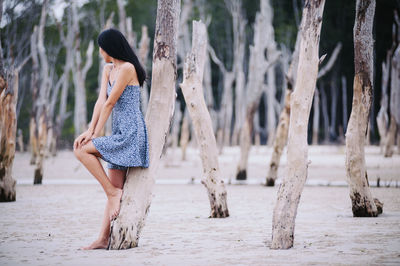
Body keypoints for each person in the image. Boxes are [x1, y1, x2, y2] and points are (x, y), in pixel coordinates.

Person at [73, 28, 150, 250]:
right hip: (118, 132)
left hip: (131, 132)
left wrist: (94, 135)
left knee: (82, 150)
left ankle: (112, 193)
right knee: (113, 184)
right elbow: (100, 101)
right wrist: (90, 129)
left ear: (109, 48)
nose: (99, 51)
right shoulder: (109, 69)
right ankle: (103, 238)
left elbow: (110, 103)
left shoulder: (127, 68)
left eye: (101, 47)